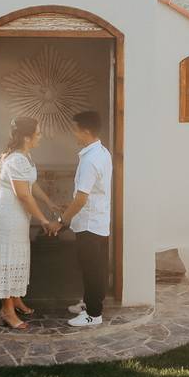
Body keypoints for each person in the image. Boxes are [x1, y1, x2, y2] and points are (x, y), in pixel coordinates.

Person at [0, 116, 61, 329]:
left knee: (17, 255)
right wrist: (43, 220)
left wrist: (49, 203)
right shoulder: (16, 160)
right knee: (8, 257)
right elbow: (24, 195)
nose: (40, 136)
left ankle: (15, 299)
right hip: (8, 214)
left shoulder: (25, 156)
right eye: (38, 133)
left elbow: (32, 185)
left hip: (17, 214)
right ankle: (6, 310)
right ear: (27, 137)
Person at [59, 110, 113, 327]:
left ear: (86, 131)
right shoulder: (102, 152)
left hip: (89, 224)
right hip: (98, 221)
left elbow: (81, 199)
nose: (74, 133)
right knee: (95, 267)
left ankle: (93, 314)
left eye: (76, 129)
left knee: (92, 269)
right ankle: (89, 303)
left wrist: (62, 221)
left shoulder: (90, 160)